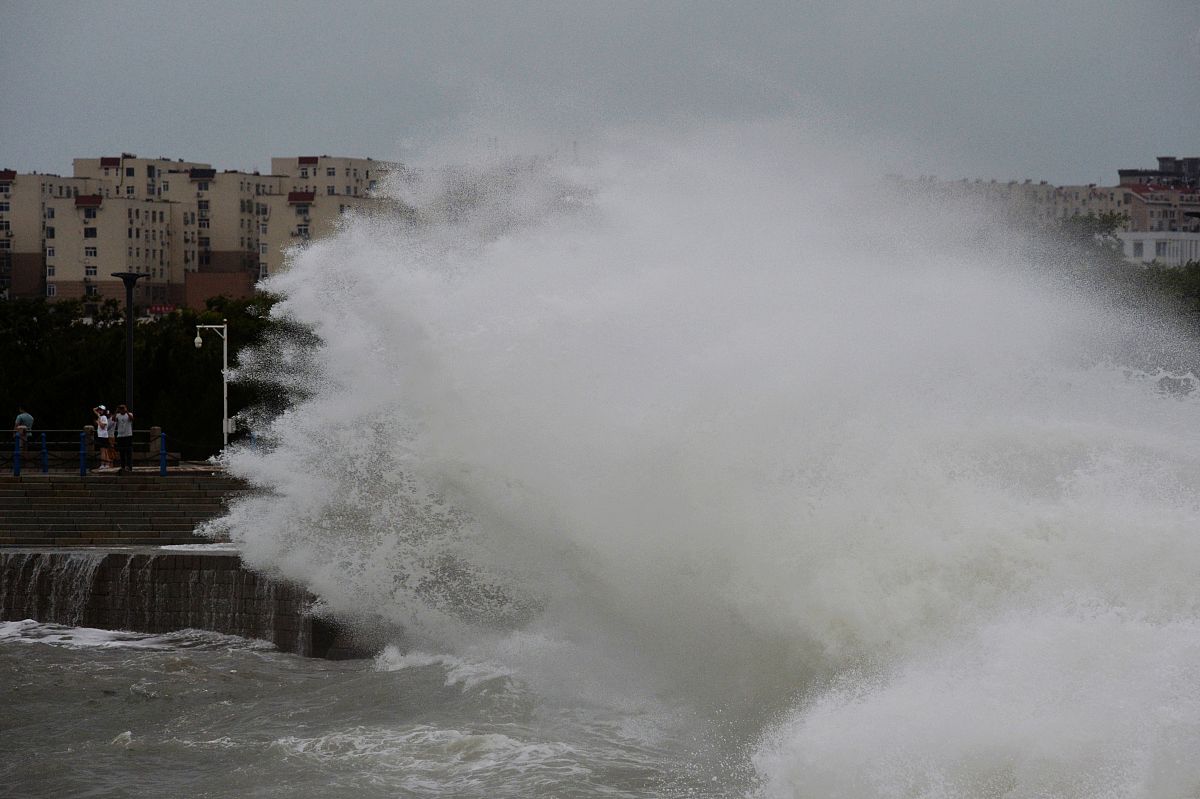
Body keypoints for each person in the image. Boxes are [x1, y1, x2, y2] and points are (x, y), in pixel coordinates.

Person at [113, 404, 134, 473]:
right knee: (121, 453)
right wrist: (116, 411)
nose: (122, 410)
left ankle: (129, 466)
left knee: (128, 452)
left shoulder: (129, 414)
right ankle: (123, 466)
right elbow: (113, 419)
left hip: (128, 435)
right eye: (121, 408)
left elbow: (132, 419)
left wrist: (126, 411)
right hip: (120, 436)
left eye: (123, 408)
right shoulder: (118, 415)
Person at [93, 405, 113, 470]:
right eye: (99, 409)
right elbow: (93, 409)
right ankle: (106, 464)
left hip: (103, 436)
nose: (99, 411)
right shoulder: (100, 416)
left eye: (101, 410)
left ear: (103, 411)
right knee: (105, 451)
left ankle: (103, 464)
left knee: (103, 451)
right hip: (102, 436)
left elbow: (103, 426)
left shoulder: (104, 417)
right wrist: (98, 407)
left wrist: (98, 421)